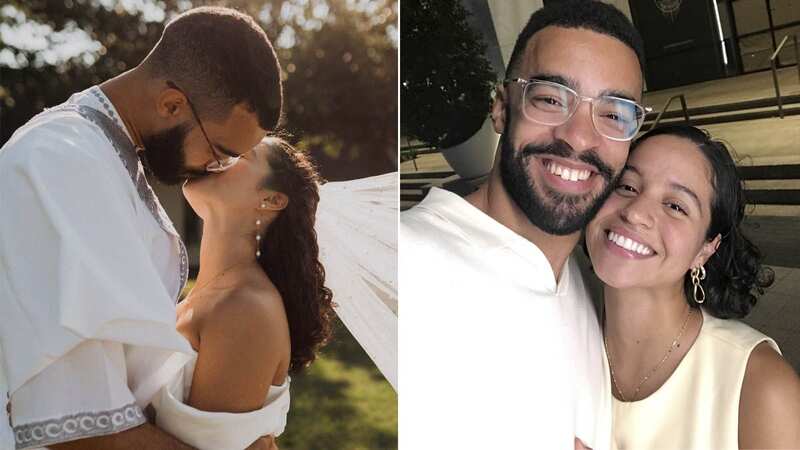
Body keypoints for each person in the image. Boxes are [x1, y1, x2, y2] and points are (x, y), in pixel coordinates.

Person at [0, 6, 282, 449]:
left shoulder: (109, 157)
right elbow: (82, 435)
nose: (215, 168)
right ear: (172, 103)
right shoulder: (59, 161)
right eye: (222, 151)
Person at [400, 1, 646, 448]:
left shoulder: (580, 278)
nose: (578, 137)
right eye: (551, 99)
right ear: (501, 108)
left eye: (613, 114)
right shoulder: (401, 265)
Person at [584, 124, 800, 449]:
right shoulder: (560, 324)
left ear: (706, 248)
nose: (637, 213)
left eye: (676, 206)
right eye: (627, 186)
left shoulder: (760, 387)